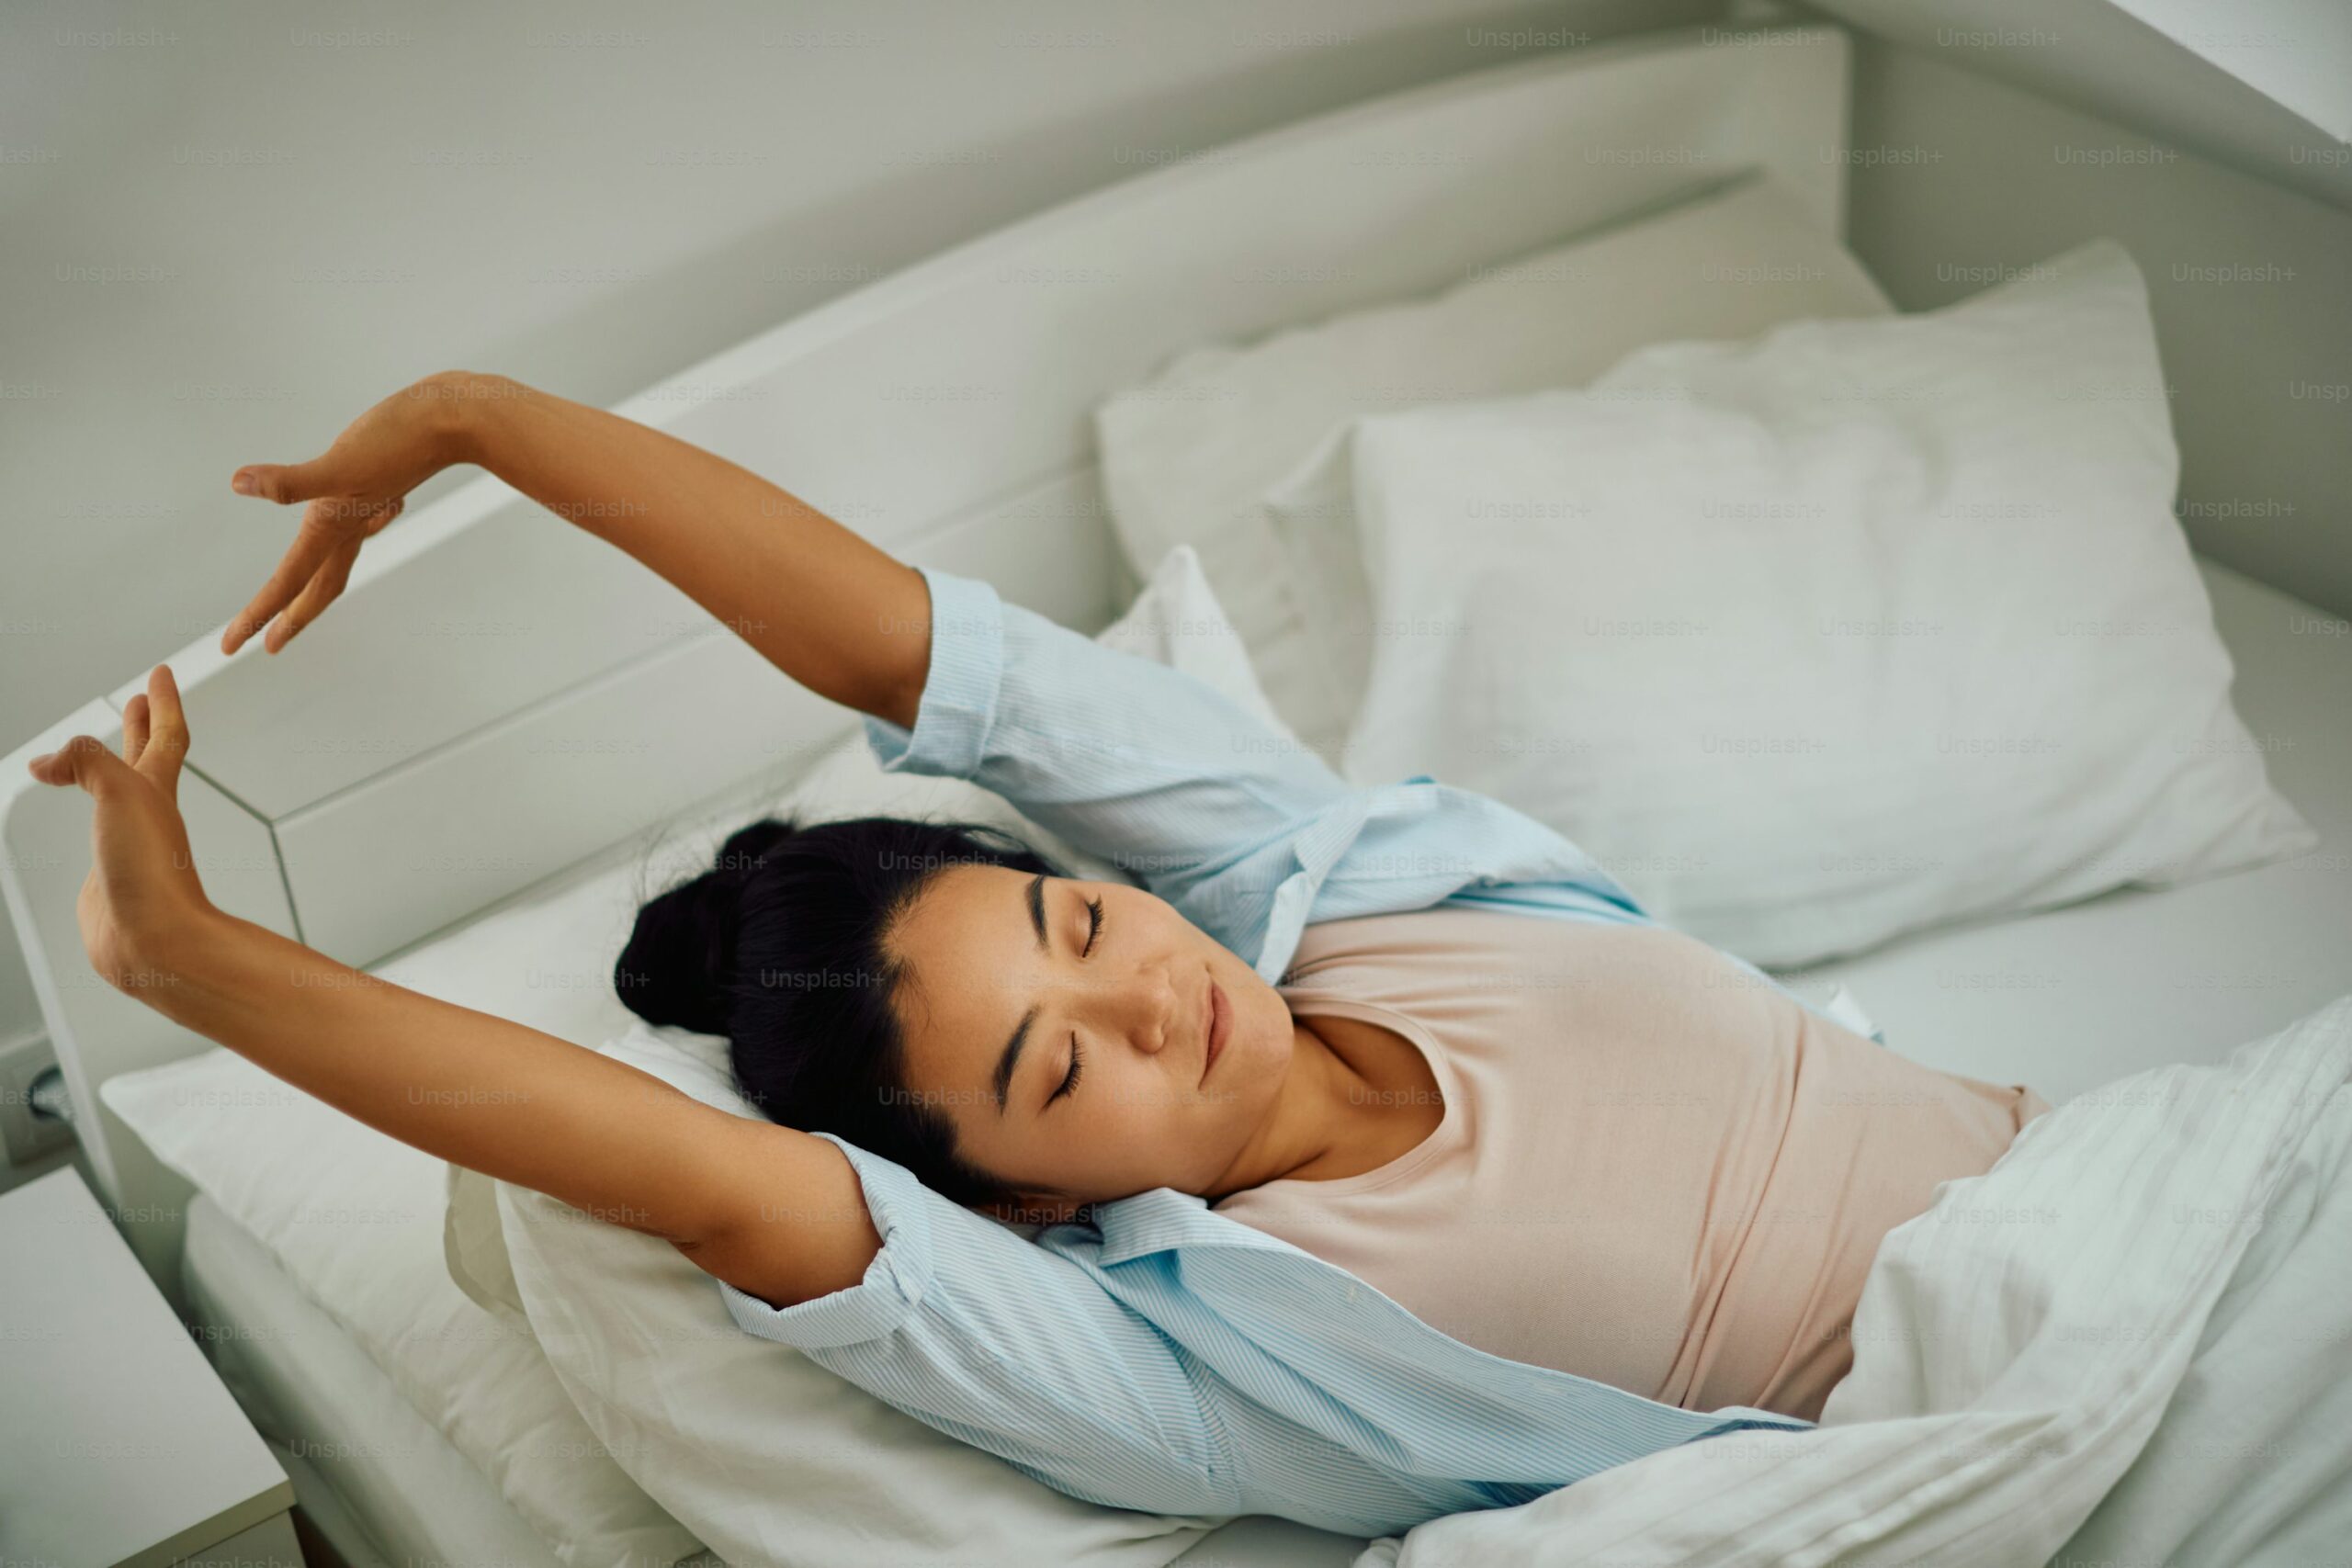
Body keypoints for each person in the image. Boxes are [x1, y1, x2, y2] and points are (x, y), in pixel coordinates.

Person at [28, 372, 2046, 1539]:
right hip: (1996, 1436)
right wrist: (189, 961)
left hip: (2117, 1189)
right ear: (1019, 1191)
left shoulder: (1309, 881)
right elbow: (706, 1181)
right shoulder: (1199, 1355)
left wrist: (480, 420)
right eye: (1067, 1071)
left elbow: (917, 653)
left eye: (1079, 925)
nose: (1144, 995)